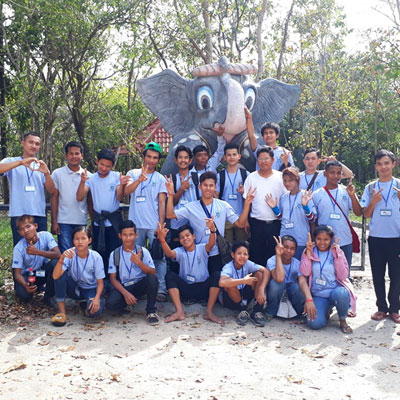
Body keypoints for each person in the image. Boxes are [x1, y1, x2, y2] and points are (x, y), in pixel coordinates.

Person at [166, 171, 255, 274]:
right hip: (198, 253)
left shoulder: (223, 205)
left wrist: (247, 204)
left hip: (217, 253)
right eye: (205, 185)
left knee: (215, 282)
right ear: (200, 186)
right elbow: (170, 215)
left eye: (211, 185)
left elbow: (240, 223)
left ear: (215, 187)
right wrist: (170, 194)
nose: (208, 188)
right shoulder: (191, 207)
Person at [124, 142, 168, 302]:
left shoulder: (160, 178)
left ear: (158, 160)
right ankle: (137, 288)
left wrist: (161, 224)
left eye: (155, 158)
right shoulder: (133, 173)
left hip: (153, 224)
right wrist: (139, 181)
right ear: (143, 157)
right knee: (135, 257)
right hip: (135, 226)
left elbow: (162, 202)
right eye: (148, 156)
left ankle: (161, 290)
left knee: (159, 258)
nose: (151, 160)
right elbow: (126, 191)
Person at [361, 149, 400, 324]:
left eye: (387, 163)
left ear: (394, 164)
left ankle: (394, 309)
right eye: (379, 164)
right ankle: (381, 308)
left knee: (396, 275)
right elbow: (366, 214)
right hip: (376, 238)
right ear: (376, 166)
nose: (383, 167)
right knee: (377, 274)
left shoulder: (399, 185)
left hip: (396, 238)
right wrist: (373, 202)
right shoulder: (371, 187)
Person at [158, 222, 223, 324]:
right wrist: (162, 239)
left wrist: (212, 230)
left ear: (193, 236)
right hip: (186, 289)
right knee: (170, 275)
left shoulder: (201, 248)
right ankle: (179, 312)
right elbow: (169, 253)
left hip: (203, 288)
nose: (185, 239)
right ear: (179, 240)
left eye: (187, 235)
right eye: (182, 237)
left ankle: (209, 312)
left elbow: (211, 244)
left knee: (217, 275)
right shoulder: (179, 251)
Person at [76, 148, 128, 274]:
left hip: (114, 221)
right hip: (98, 222)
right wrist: (82, 182)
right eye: (102, 164)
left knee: (114, 252)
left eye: (108, 166)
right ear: (97, 161)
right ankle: (101, 282)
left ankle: (115, 281)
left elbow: (119, 197)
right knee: (99, 253)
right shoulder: (91, 178)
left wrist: (121, 185)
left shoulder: (116, 176)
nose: (104, 168)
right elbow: (79, 197)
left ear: (112, 166)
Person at [0, 131, 55, 245]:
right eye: (31, 142)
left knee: (41, 250)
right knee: (21, 249)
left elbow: (51, 190)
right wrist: (20, 162)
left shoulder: (40, 165)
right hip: (19, 214)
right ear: (23, 143)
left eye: (37, 144)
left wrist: (46, 173)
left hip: (38, 214)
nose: (34, 146)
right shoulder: (11, 161)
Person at [299, 226, 356, 333]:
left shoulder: (337, 251)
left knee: (342, 293)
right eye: (319, 239)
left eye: (326, 239)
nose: (322, 242)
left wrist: (337, 255)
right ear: (314, 239)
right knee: (314, 324)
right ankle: (325, 310)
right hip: (319, 295)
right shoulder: (310, 250)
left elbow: (343, 276)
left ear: (331, 240)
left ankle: (342, 319)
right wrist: (308, 253)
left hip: (335, 292)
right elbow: (305, 272)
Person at [106, 220, 160, 325]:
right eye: (125, 235)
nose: (128, 238)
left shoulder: (143, 251)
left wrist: (139, 263)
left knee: (152, 279)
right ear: (119, 236)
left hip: (140, 285)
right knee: (110, 304)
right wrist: (125, 293)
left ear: (136, 235)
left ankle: (151, 311)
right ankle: (127, 304)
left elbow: (153, 272)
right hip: (125, 286)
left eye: (131, 234)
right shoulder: (115, 254)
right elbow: (113, 278)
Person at [312, 160, 362, 269]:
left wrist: (352, 196)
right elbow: (313, 220)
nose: (336, 176)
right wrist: (314, 239)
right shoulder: (317, 194)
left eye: (339, 173)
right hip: (324, 243)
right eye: (332, 172)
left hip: (344, 240)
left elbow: (358, 213)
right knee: (325, 272)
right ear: (325, 174)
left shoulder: (346, 191)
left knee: (344, 274)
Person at [52, 226, 105, 327]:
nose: (80, 242)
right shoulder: (70, 254)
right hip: (75, 287)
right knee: (60, 275)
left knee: (95, 312)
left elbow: (100, 282)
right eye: (77, 239)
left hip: (91, 288)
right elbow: (55, 276)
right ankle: (62, 312)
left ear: (89, 240)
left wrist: (97, 298)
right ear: (73, 241)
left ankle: (85, 306)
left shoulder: (96, 257)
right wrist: (61, 259)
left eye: (83, 238)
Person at [243, 146, 286, 266]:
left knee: (274, 253)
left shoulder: (280, 177)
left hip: (276, 222)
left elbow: (287, 198)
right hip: (257, 222)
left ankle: (273, 280)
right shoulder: (251, 177)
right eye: (260, 159)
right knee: (257, 253)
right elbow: (246, 201)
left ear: (272, 160)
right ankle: (258, 280)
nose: (263, 161)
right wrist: (246, 220)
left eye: (266, 158)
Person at [265, 167, 316, 259]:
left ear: (297, 180)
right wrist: (274, 208)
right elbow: (281, 217)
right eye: (285, 181)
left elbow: (312, 219)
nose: (287, 183)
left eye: (290, 180)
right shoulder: (283, 197)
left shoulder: (305, 195)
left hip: (300, 239)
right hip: (285, 239)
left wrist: (305, 206)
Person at [51, 141, 92, 252]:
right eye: (71, 153)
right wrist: (54, 222)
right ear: (66, 156)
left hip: (81, 221)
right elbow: (54, 198)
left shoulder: (89, 176)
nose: (74, 156)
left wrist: (92, 221)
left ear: (82, 155)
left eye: (77, 153)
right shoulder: (57, 174)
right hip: (63, 222)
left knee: (81, 252)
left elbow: (90, 201)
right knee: (66, 254)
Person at [12, 214, 61, 305]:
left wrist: (37, 252)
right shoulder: (19, 248)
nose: (26, 231)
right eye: (22, 229)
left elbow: (58, 254)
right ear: (19, 232)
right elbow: (17, 274)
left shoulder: (46, 236)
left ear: (35, 226)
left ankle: (49, 296)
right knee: (23, 295)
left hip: (41, 272)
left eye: (28, 226)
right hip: (28, 276)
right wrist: (25, 285)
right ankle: (30, 289)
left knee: (56, 263)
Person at [219, 241, 269, 327]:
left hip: (244, 294)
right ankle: (241, 310)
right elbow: (221, 282)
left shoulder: (247, 263)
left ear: (248, 256)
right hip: (232, 299)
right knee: (230, 282)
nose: (242, 257)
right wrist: (243, 280)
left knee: (259, 274)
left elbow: (266, 271)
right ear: (232, 255)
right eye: (239, 253)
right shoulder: (228, 267)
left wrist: (261, 288)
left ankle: (256, 310)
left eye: (245, 254)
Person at [216, 143, 249, 244]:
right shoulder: (219, 176)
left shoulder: (246, 174)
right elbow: (216, 197)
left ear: (239, 156)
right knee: (227, 248)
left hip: (242, 217)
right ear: (225, 157)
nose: (232, 157)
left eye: (234, 154)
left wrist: (244, 192)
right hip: (225, 219)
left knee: (242, 246)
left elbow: (251, 198)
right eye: (229, 155)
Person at [265, 235, 305, 320]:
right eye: (285, 247)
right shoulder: (271, 260)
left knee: (298, 287)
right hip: (277, 292)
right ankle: (272, 310)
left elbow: (302, 282)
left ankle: (298, 312)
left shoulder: (297, 263)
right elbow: (279, 278)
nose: (288, 251)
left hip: (290, 292)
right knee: (276, 284)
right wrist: (278, 255)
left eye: (292, 248)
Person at [168, 145, 197, 246]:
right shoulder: (172, 180)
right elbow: (172, 203)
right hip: (177, 223)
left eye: (186, 157)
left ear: (190, 160)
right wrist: (181, 189)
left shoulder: (197, 178)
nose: (183, 160)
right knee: (177, 254)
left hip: (194, 223)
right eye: (180, 157)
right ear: (175, 160)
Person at [189, 132, 226, 199]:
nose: (203, 158)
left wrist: (220, 135)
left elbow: (220, 151)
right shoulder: (190, 174)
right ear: (194, 158)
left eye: (205, 155)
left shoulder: (211, 164)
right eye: (200, 155)